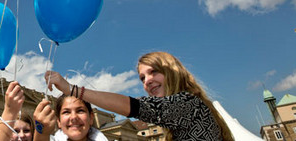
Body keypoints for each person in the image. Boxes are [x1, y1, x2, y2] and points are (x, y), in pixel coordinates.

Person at [44, 51, 233, 141]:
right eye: (142, 77)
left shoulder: (188, 104)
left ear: (173, 72)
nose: (147, 81)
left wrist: (72, 89)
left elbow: (133, 106)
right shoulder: (183, 112)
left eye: (154, 72)